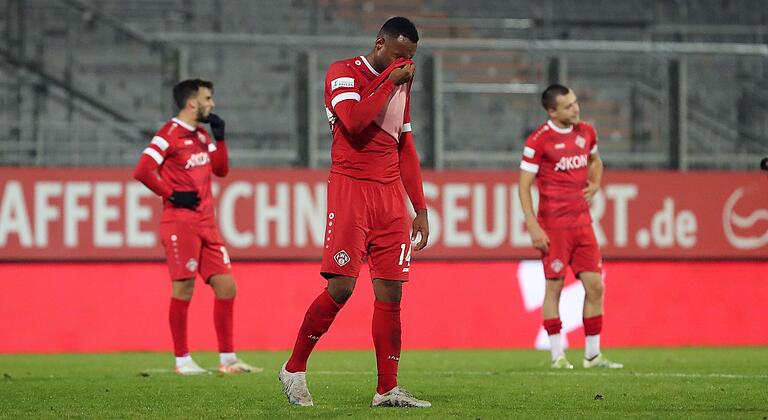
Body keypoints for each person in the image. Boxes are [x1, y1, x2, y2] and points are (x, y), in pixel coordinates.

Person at [278, 17, 431, 408]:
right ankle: (294, 369)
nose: (406, 64)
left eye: (410, 59)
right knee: (342, 287)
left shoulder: (401, 81)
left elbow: (405, 145)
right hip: (350, 188)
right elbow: (354, 121)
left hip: (390, 198)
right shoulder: (342, 73)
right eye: (399, 56)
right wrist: (390, 81)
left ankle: (387, 389)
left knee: (391, 292)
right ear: (379, 44)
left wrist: (421, 207)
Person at [133, 79, 260, 375]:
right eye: (208, 98)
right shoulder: (169, 134)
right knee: (184, 288)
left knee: (227, 286)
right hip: (180, 222)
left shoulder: (202, 135)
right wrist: (171, 193)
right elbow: (142, 169)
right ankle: (182, 360)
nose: (212, 104)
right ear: (192, 103)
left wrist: (221, 137)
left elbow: (221, 170)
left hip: (207, 223)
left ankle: (228, 359)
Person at [518, 84, 623, 370]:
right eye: (568, 106)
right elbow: (524, 185)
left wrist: (596, 183)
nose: (576, 109)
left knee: (595, 285)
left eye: (576, 102)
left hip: (583, 223)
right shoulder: (539, 140)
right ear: (552, 111)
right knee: (554, 287)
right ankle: (557, 356)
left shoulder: (586, 132)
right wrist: (532, 224)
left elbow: (596, 161)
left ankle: (592, 355)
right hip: (553, 226)